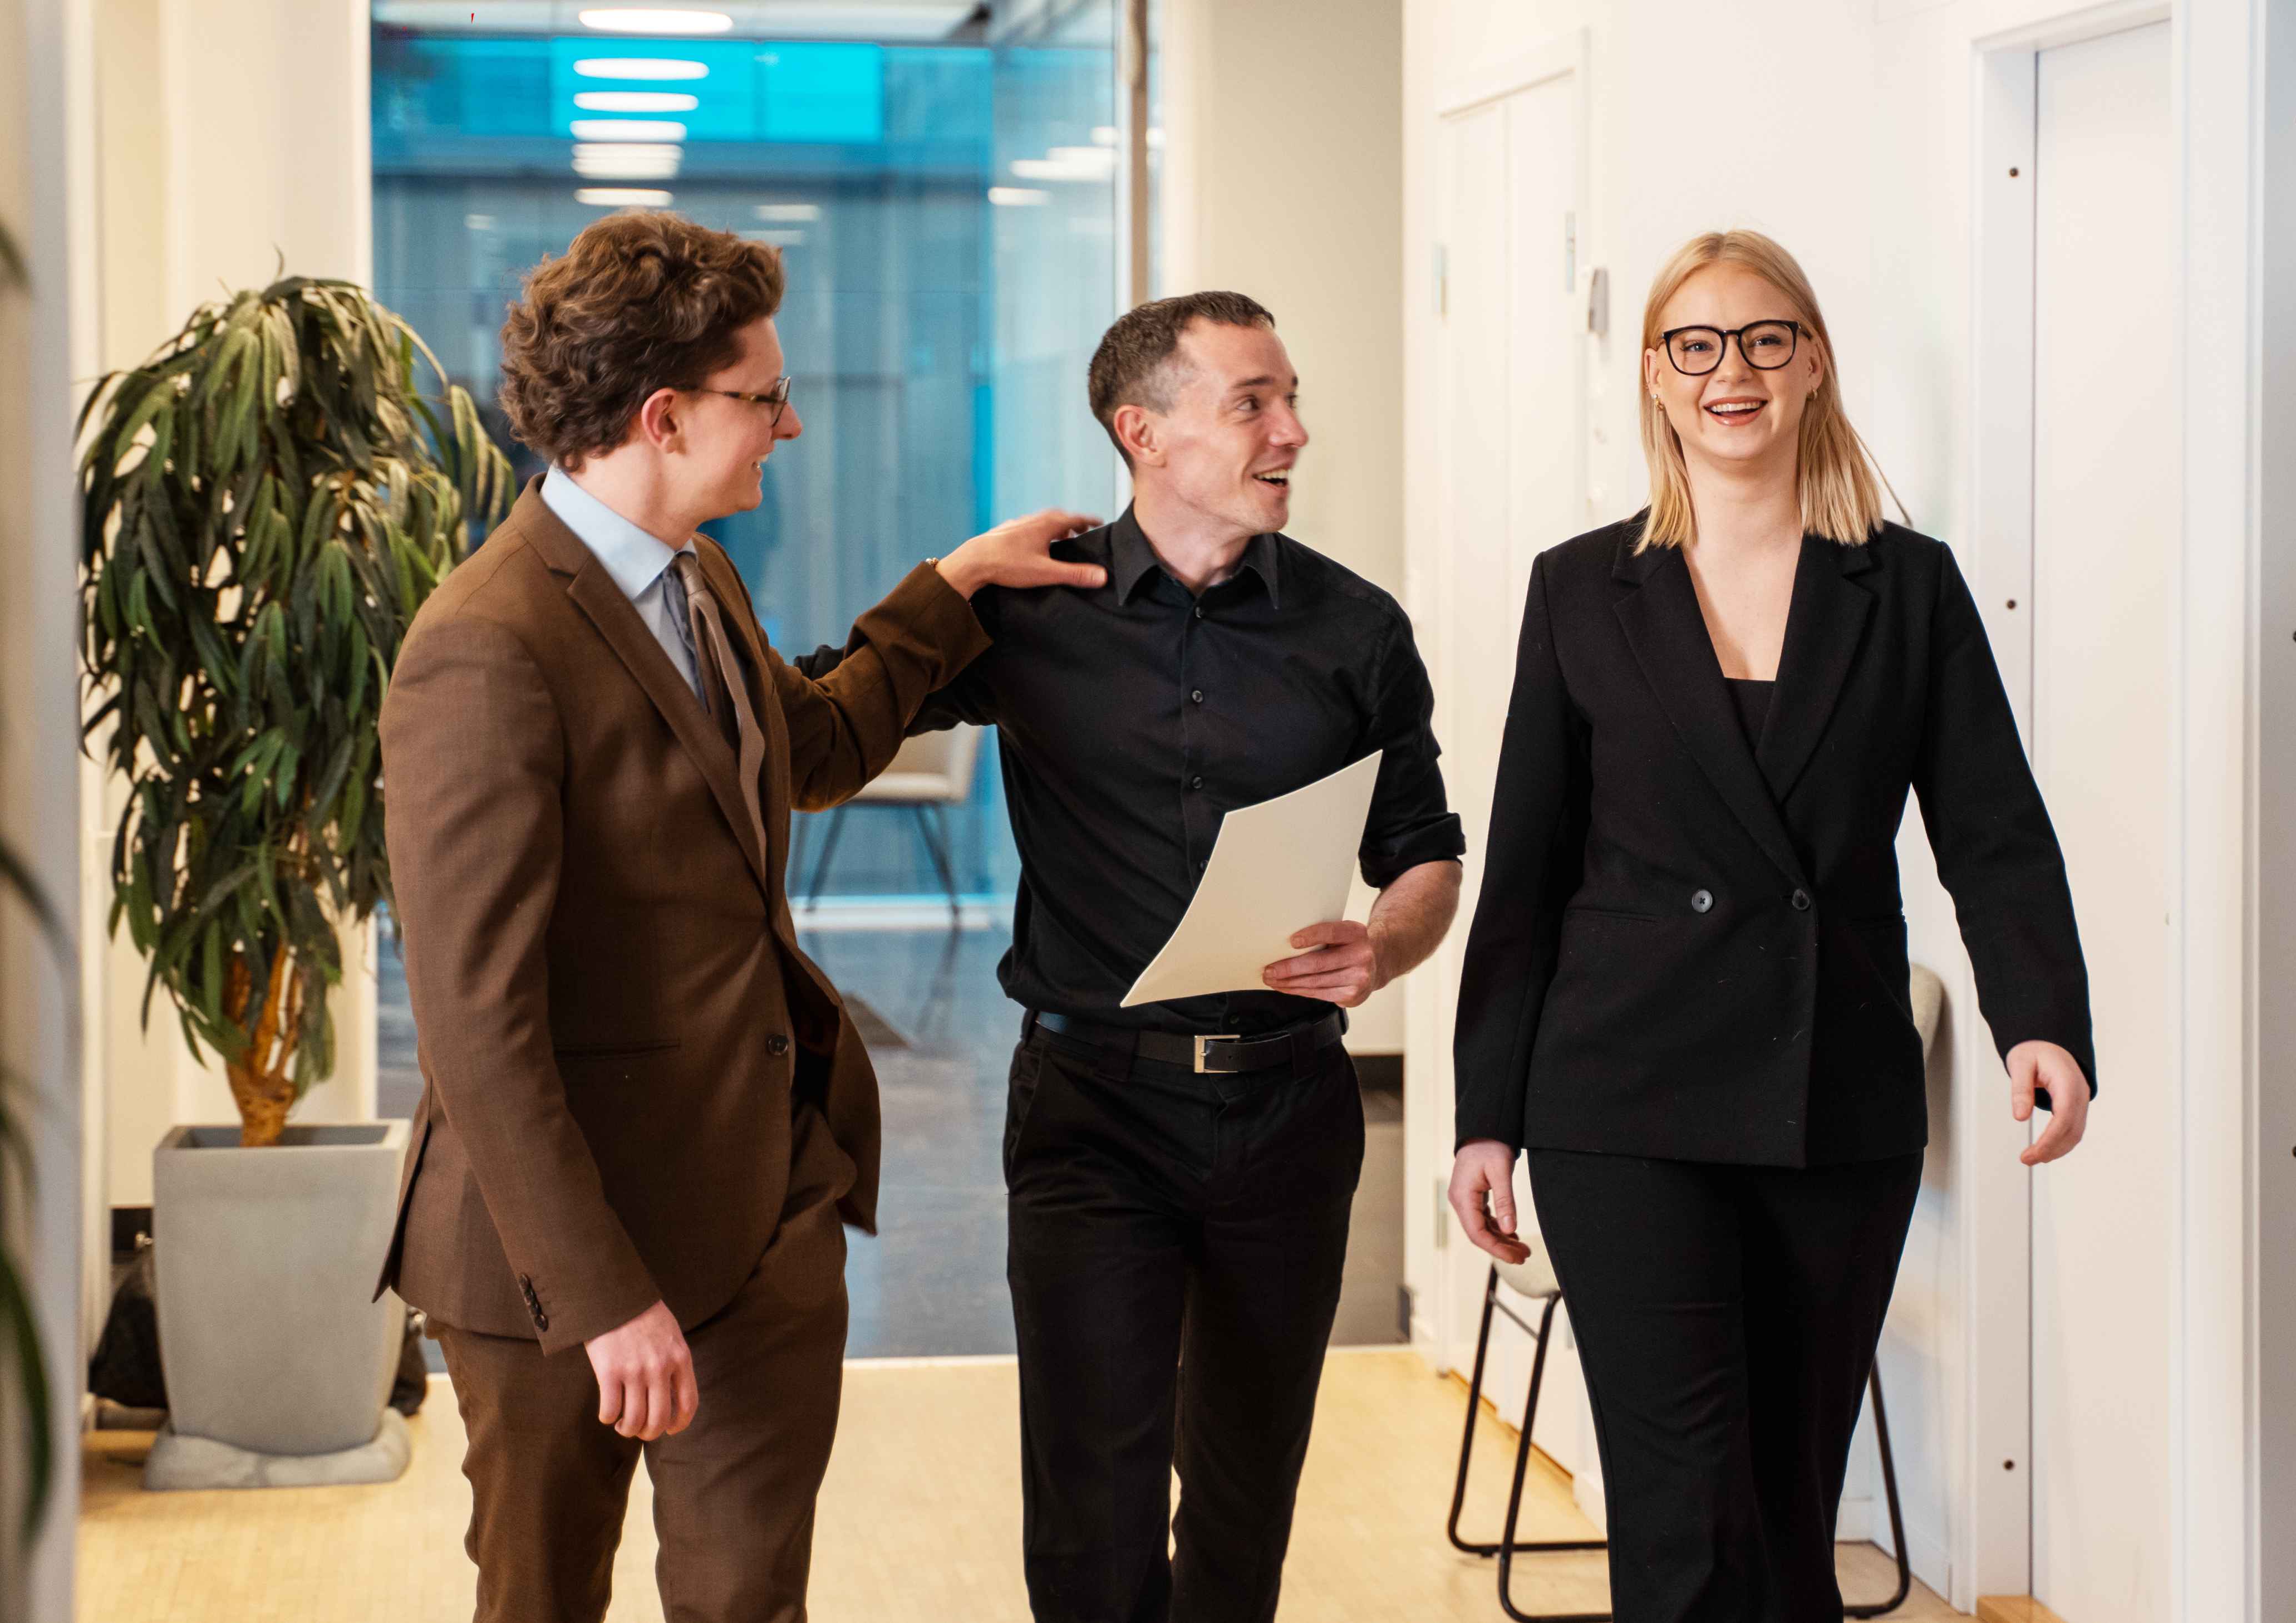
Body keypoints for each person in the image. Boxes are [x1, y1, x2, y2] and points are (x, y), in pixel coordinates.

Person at [373, 210, 1100, 1623]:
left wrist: (955, 587)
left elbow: (808, 746)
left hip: (762, 1212)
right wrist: (601, 1296)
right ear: (663, 416)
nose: (791, 424)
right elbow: (476, 1024)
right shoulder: (484, 642)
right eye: (765, 397)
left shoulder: (694, 573)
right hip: (555, 1263)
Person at [1446, 229, 2097, 1622]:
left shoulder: (1905, 585)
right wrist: (1483, 1115)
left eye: (1760, 340)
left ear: (1810, 365)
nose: (1727, 372)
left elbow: (1990, 828)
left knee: (1789, 1499)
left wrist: (2039, 1020)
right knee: (1680, 1508)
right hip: (1619, 1097)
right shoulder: (1580, 586)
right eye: (1694, 345)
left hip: (1831, 1099)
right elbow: (1525, 874)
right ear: (1653, 377)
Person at [910, 291, 1466, 1622]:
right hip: (1090, 1112)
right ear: (1141, 432)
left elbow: (1425, 853)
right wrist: (949, 584)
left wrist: (1382, 946)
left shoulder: (1355, 629)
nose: (1292, 432)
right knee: (1090, 1499)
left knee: (1243, 1490)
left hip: (1289, 1109)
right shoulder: (1030, 610)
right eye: (1251, 403)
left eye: (1290, 399)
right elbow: (818, 720)